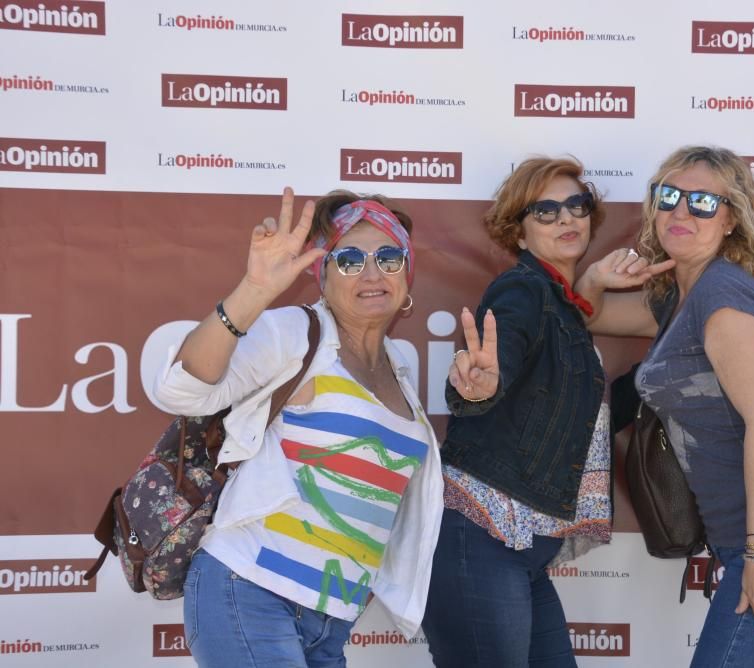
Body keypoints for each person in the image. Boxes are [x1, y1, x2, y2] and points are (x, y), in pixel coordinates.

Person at [575, 146, 754, 667]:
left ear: (731, 220)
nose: (681, 211)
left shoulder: (722, 299)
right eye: (669, 196)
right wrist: (593, 281)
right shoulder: (680, 298)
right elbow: (594, 315)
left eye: (702, 202)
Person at [153, 187, 443, 668]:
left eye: (388, 257)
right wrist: (255, 290)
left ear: (406, 273)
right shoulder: (296, 333)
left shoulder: (398, 370)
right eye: (349, 259)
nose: (372, 273)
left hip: (329, 624)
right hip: (250, 592)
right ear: (321, 275)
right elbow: (179, 391)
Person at [421, 158, 652, 667]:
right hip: (479, 537)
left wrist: (593, 286)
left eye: (576, 205)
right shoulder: (522, 291)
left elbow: (566, 419)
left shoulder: (564, 307)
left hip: (521, 550)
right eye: (544, 211)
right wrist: (481, 386)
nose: (565, 218)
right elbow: (495, 363)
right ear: (519, 234)